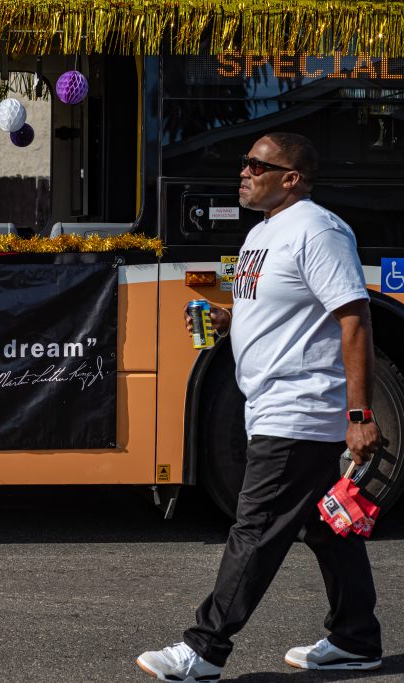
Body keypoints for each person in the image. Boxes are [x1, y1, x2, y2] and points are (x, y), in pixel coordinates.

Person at [137, 133, 383, 681]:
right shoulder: (263, 234)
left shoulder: (318, 230)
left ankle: (203, 651)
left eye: (257, 164)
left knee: (256, 528)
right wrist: (226, 319)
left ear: (291, 177)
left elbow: (354, 318)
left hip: (301, 407)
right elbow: (280, 307)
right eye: (245, 163)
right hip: (269, 403)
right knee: (326, 526)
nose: (243, 172)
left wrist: (360, 413)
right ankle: (356, 638)